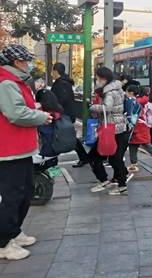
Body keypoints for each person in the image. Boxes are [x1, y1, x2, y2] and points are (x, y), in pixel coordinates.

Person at [0, 45, 52, 261]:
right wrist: (41, 116)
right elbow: (16, 113)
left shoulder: (15, 81)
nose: (29, 64)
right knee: (13, 195)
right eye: (26, 60)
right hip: (9, 149)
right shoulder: (6, 82)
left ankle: (13, 231)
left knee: (25, 191)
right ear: (16, 62)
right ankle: (3, 242)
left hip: (19, 148)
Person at [88, 67, 129, 196]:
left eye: (97, 78)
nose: (96, 81)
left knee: (106, 157)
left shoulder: (109, 92)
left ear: (104, 79)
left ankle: (119, 184)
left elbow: (107, 108)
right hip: (117, 127)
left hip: (112, 129)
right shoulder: (116, 89)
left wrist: (92, 107)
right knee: (113, 157)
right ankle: (110, 181)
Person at [51, 63, 87, 168]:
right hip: (65, 114)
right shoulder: (64, 82)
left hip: (63, 115)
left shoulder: (61, 83)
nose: (52, 73)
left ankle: (84, 158)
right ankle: (84, 158)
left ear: (55, 71)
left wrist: (52, 102)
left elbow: (62, 100)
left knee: (63, 136)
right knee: (68, 136)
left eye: (52, 71)